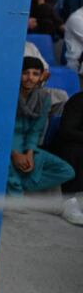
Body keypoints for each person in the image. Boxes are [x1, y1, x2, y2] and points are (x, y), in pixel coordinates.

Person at [7, 57, 74, 195]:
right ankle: (15, 188)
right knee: (7, 167)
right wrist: (14, 154)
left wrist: (30, 153)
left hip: (28, 147)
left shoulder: (44, 98)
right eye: (25, 73)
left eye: (35, 74)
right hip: (5, 147)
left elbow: (36, 129)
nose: (29, 78)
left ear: (41, 76)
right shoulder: (7, 95)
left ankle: (22, 184)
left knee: (67, 171)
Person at [52, 91, 83, 225]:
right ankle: (69, 202)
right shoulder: (79, 100)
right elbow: (67, 130)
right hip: (73, 144)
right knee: (76, 150)